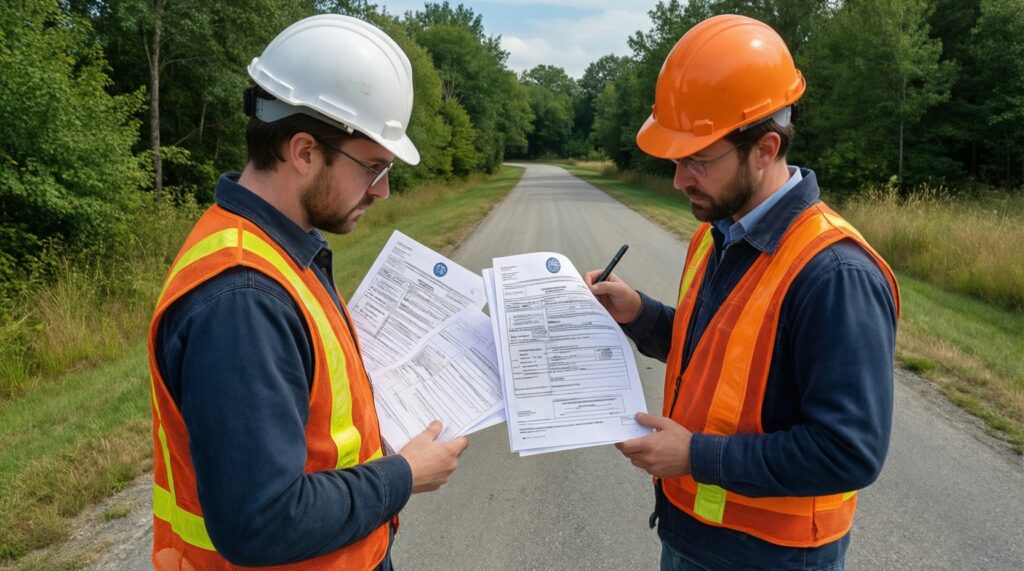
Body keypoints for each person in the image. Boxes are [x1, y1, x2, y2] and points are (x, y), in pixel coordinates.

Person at [147, 15, 467, 570]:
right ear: (302, 151)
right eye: (373, 167)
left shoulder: (277, 248)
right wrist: (403, 475)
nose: (383, 190)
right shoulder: (243, 300)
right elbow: (262, 521)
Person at [584, 14, 900, 571]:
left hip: (773, 557)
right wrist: (637, 314)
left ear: (766, 147)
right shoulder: (718, 232)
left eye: (698, 162)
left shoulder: (834, 275)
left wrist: (695, 456)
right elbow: (715, 358)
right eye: (677, 160)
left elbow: (850, 451)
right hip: (691, 533)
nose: (680, 179)